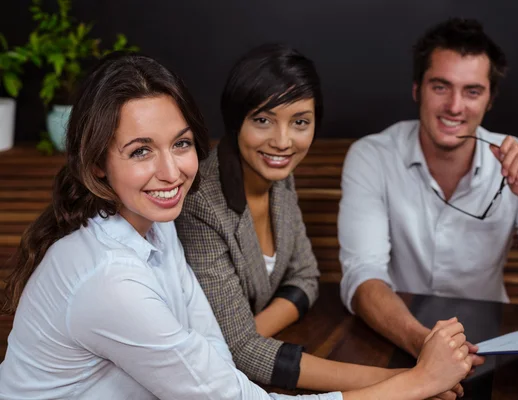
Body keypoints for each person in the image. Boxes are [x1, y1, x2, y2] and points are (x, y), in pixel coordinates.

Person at [0, 52, 470, 400]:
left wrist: (414, 380)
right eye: (141, 151)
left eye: (181, 144)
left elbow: (218, 352)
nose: (172, 172)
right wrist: (416, 381)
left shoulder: (156, 223)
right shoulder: (111, 279)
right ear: (97, 164)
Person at [175, 43, 472, 398]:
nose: (283, 141)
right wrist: (404, 381)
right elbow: (240, 351)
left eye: (300, 122)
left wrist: (247, 336)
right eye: (263, 120)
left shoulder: (277, 172)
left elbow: (306, 277)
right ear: (235, 118)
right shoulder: (201, 202)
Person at [338, 17, 518, 361]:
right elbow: (363, 274)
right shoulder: (372, 156)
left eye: (472, 91)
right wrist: (424, 346)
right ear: (417, 89)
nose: (455, 106)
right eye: (440, 87)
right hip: (396, 332)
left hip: (491, 342)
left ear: (489, 100)